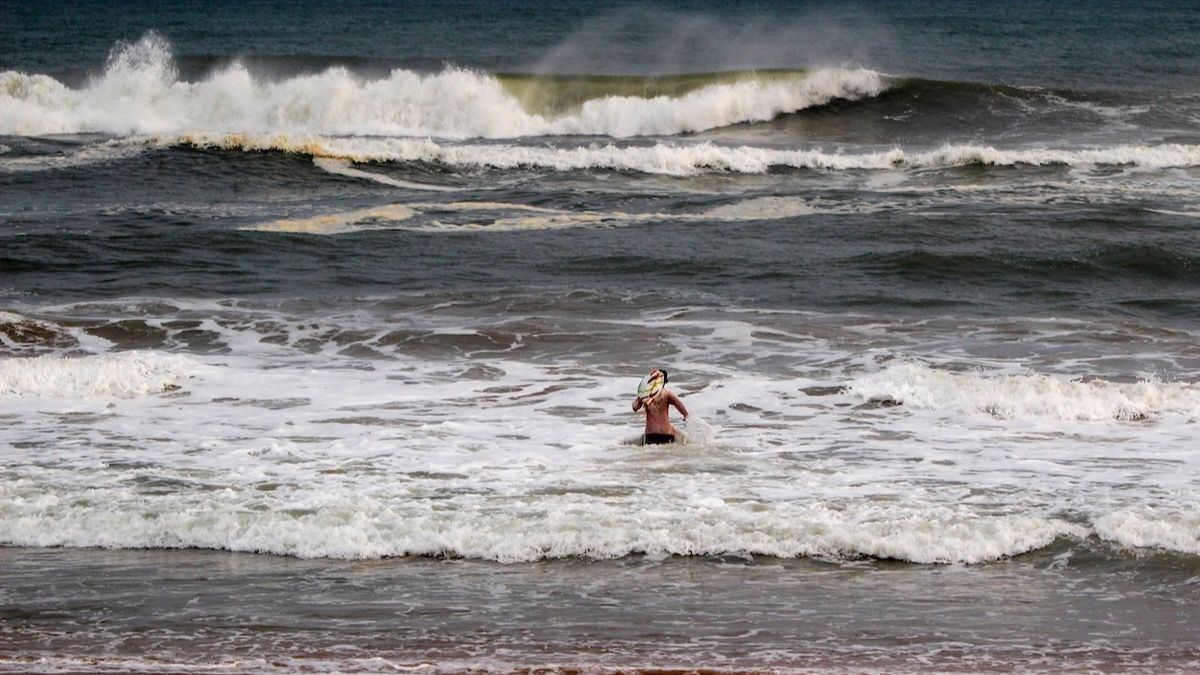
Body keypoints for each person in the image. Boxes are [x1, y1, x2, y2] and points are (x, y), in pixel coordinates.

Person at [632, 368, 688, 445]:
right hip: (666, 434)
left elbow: (635, 407)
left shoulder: (646, 396)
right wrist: (686, 416)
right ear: (665, 381)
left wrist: (640, 396)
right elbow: (681, 408)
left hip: (651, 435)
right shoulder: (667, 394)